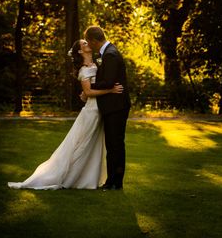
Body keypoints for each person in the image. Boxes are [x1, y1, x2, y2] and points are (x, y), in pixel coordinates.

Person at [7, 39, 124, 190]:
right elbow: (89, 91)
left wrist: (87, 94)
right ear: (81, 51)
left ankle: (88, 178)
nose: (88, 43)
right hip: (91, 112)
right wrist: (110, 91)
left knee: (92, 145)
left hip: (100, 110)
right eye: (84, 43)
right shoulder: (83, 70)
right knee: (81, 145)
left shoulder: (96, 64)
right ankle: (67, 176)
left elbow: (89, 90)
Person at [84, 25, 131, 191]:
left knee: (115, 145)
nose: (89, 46)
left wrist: (88, 87)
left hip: (116, 106)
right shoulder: (107, 53)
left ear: (94, 40)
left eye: (89, 42)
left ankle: (114, 182)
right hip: (113, 106)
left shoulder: (110, 54)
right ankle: (113, 181)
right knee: (113, 145)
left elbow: (110, 82)